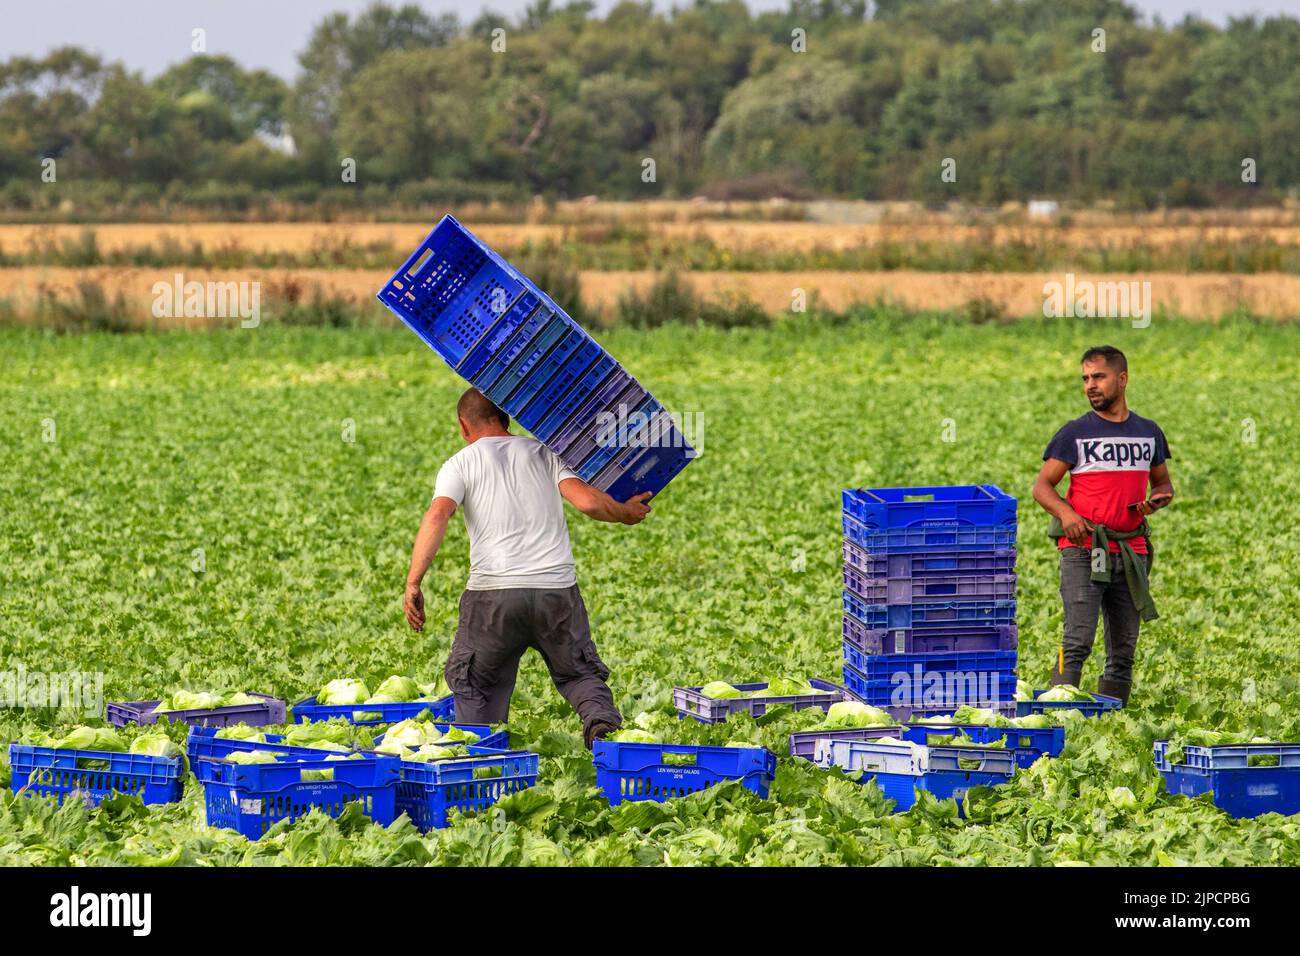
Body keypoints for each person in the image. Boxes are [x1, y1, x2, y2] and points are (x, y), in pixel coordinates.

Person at [403, 387, 652, 748]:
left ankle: (479, 759)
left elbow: (438, 513)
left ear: (462, 426)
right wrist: (626, 513)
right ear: (507, 418)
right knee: (580, 674)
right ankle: (601, 729)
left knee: (476, 684)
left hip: (492, 597)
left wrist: (414, 582)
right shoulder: (544, 452)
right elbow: (586, 502)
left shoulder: (460, 463)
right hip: (556, 592)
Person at [1031, 346, 1174, 705]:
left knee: (1124, 648)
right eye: (1085, 379)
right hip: (1083, 550)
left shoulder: (1149, 432)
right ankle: (1059, 711)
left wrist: (1157, 499)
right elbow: (1042, 487)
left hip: (1131, 551)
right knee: (1077, 640)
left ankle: (1113, 722)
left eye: (1098, 377)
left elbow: (1163, 484)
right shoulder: (1074, 433)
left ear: (1122, 379)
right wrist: (1067, 515)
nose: (1090, 386)